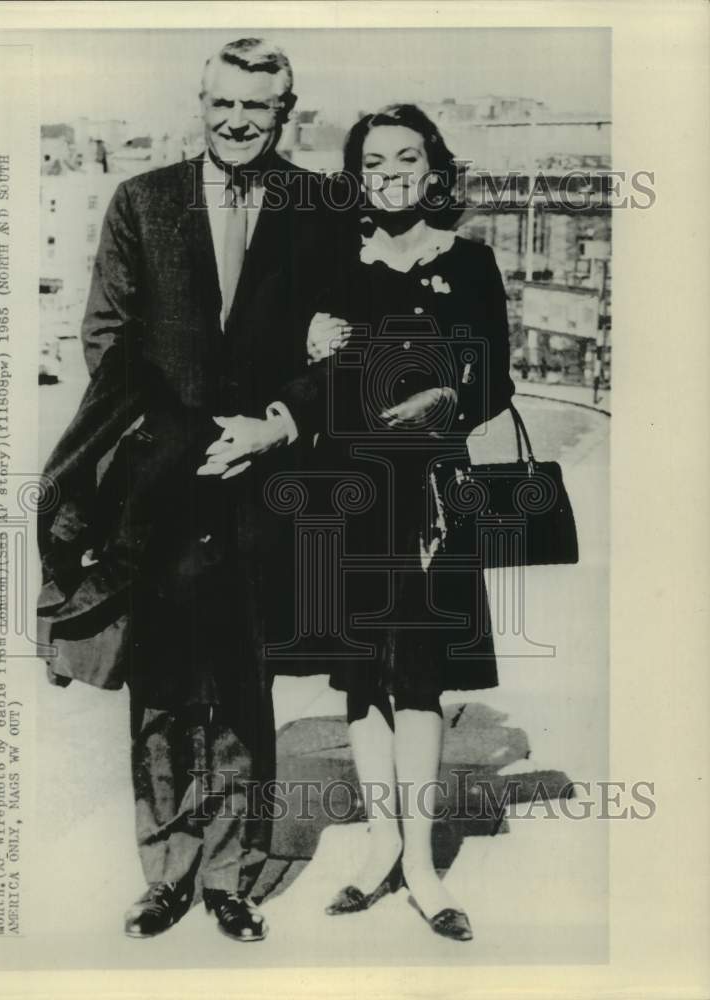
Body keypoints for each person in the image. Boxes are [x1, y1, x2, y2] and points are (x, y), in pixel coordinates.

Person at [37, 38, 335, 942]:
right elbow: (108, 342)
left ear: (288, 110)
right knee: (163, 684)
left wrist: (275, 424)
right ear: (199, 101)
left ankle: (232, 877)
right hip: (164, 485)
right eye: (224, 103)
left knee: (244, 683)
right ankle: (166, 872)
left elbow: (349, 343)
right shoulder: (142, 200)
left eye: (259, 106)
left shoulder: (322, 206)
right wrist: (185, 444)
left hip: (268, 484)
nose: (239, 121)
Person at [305, 104, 515, 941]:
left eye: (408, 158)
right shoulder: (329, 259)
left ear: (434, 170)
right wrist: (309, 337)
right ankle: (378, 846)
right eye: (374, 162)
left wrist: (450, 397)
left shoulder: (468, 261)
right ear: (357, 177)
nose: (391, 174)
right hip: (346, 487)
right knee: (361, 674)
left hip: (431, 483)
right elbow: (293, 364)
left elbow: (495, 377)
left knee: (420, 673)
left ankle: (422, 864)